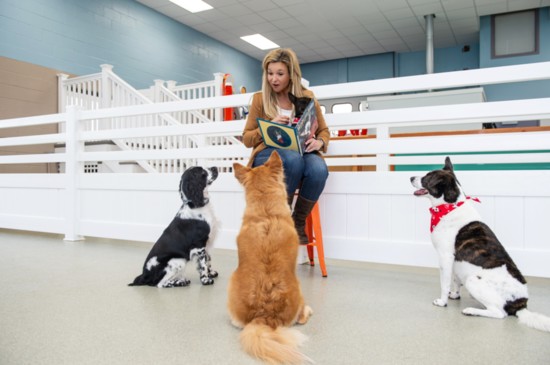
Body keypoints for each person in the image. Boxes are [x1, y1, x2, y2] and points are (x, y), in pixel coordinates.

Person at [242, 48, 330, 244]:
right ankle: (280, 219)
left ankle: (297, 223)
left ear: (291, 74)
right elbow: (247, 138)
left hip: (300, 151)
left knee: (318, 169)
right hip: (268, 154)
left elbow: (324, 131)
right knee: (292, 159)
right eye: (270, 73)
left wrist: (319, 142)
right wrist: (269, 127)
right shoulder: (259, 98)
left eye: (280, 74)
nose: (273, 79)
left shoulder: (307, 96)